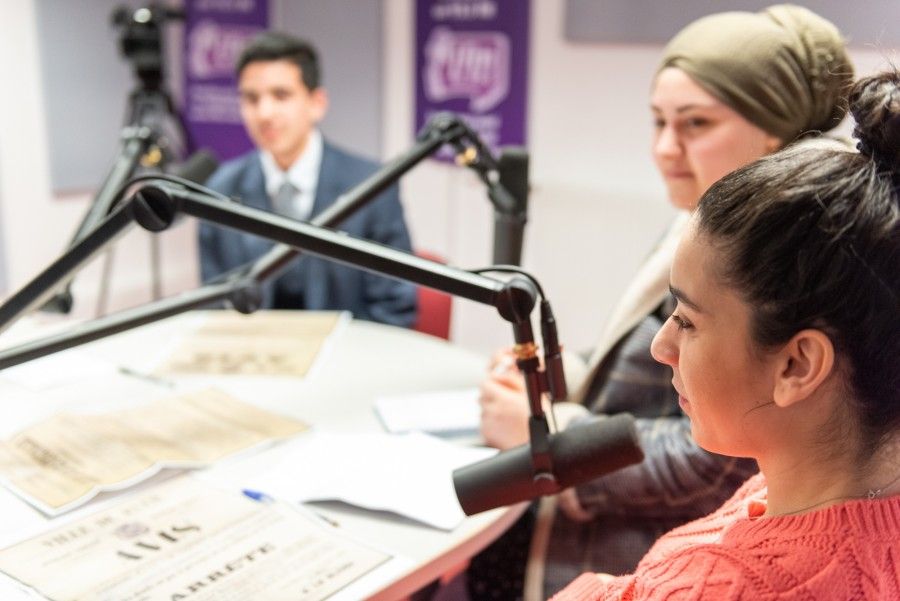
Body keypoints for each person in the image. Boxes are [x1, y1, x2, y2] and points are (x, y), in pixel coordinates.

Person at [470, 6, 854, 599]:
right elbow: (647, 359)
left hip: (650, 553)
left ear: (774, 131)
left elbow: (719, 458)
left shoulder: (797, 255)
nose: (665, 149)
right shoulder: (700, 220)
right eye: (658, 122)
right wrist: (563, 371)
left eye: (695, 124)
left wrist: (556, 441)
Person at [553, 68, 900, 601]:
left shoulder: (726, 586)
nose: (661, 347)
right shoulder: (802, 490)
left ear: (797, 365)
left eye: (687, 321)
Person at [198, 32, 417, 327]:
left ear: (317, 103)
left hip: (349, 349)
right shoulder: (221, 189)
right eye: (251, 98)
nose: (264, 113)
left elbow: (395, 306)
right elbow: (215, 306)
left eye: (281, 95)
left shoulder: (371, 187)